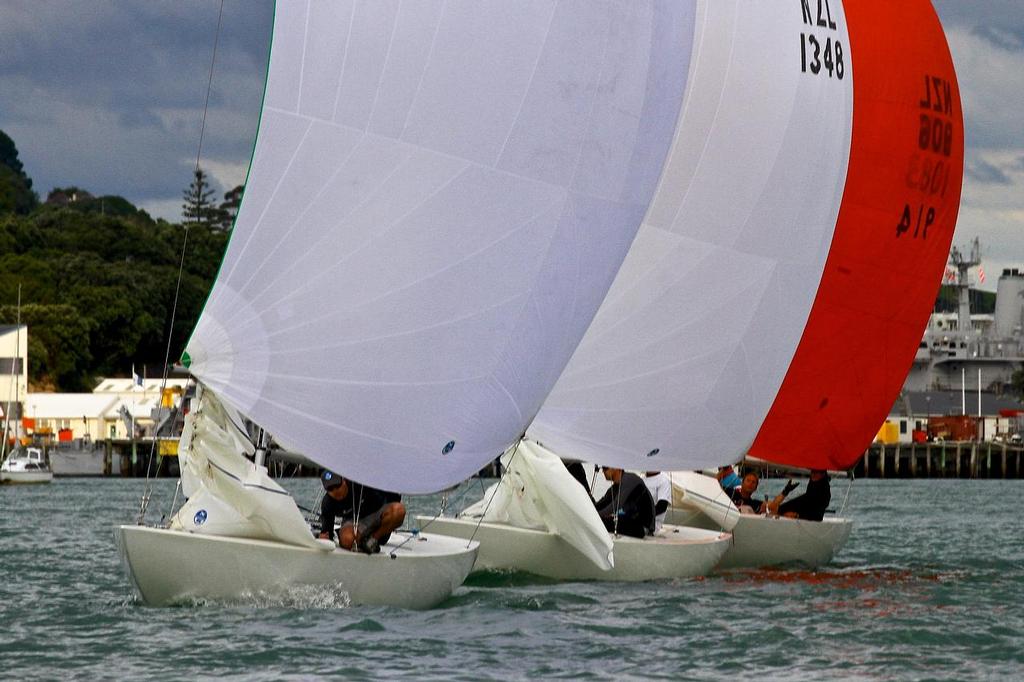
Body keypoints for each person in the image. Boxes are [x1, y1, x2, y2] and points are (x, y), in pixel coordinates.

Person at [318, 470, 406, 554]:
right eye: (330, 489)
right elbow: (327, 531)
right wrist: (324, 538)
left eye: (337, 486)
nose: (335, 491)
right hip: (353, 522)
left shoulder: (360, 484)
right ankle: (364, 543)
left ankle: (373, 540)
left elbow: (390, 495)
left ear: (344, 480)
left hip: (375, 514)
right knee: (347, 540)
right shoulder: (328, 502)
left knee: (399, 510)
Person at [593, 466, 655, 538]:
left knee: (601, 522)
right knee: (601, 521)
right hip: (631, 520)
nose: (603, 471)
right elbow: (603, 502)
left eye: (605, 468)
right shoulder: (615, 487)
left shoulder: (630, 479)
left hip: (642, 527)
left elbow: (615, 505)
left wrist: (595, 516)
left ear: (616, 468)